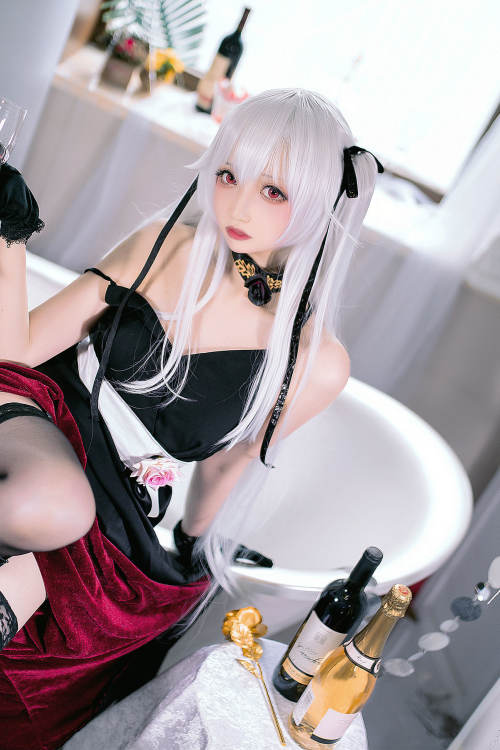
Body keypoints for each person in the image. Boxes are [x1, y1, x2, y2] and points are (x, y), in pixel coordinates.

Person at [0, 87, 383, 748]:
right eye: (228, 175)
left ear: (321, 202)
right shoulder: (167, 247)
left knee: (66, 565)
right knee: (56, 524)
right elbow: (22, 351)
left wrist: (192, 545)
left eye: (273, 191)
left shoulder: (316, 363)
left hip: (118, 501)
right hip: (38, 418)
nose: (237, 206)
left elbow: (226, 466)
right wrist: (8, 236)